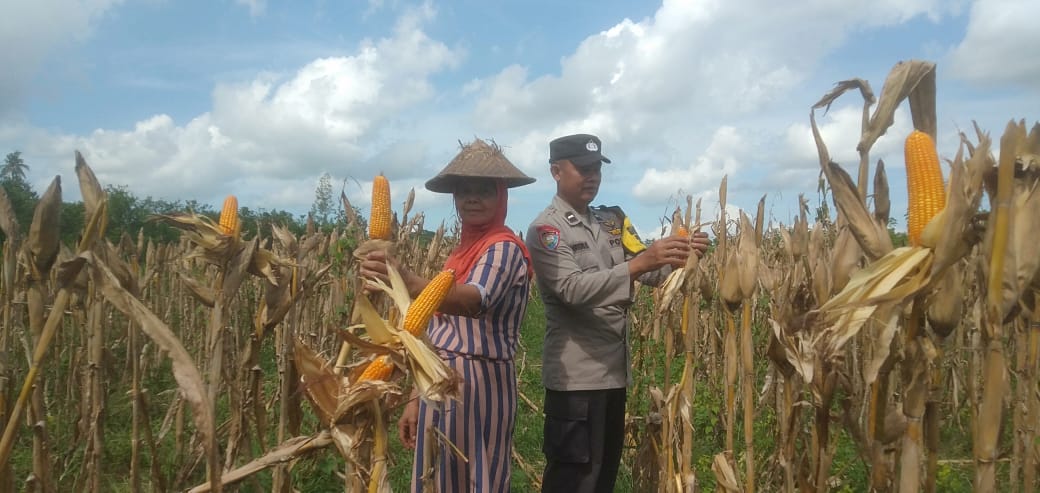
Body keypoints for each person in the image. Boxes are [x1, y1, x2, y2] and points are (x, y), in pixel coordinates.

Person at [526, 133, 711, 493]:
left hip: (613, 376)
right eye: (582, 168)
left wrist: (680, 255)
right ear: (556, 172)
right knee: (573, 480)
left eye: (596, 168)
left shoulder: (612, 221)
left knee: (601, 478)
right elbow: (571, 289)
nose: (591, 176)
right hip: (576, 381)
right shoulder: (546, 230)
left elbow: (652, 273)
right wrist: (640, 263)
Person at [359, 138, 535, 492]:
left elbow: (472, 300)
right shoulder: (461, 253)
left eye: (484, 190)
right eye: (464, 190)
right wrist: (415, 396)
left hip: (480, 381)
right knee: (436, 476)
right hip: (437, 377)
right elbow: (436, 331)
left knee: (476, 475)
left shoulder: (503, 248)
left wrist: (406, 280)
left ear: (501, 196)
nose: (472, 198)